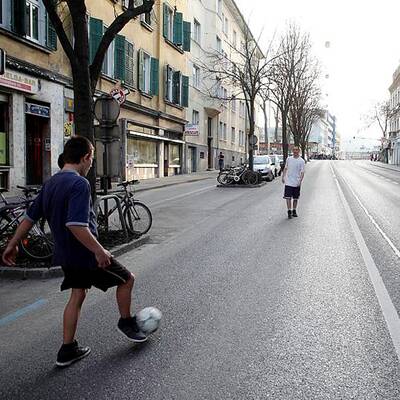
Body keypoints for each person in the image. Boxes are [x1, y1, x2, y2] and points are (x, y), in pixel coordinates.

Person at [2, 136, 147, 368]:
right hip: (86, 255)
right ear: (85, 157)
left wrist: (12, 243)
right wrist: (99, 251)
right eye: (91, 158)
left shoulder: (50, 183)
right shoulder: (80, 184)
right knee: (127, 279)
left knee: (77, 295)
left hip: (66, 255)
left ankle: (67, 349)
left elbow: (29, 218)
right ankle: (127, 323)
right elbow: (76, 225)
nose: (91, 164)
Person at [281, 146, 305, 219]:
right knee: (288, 197)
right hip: (288, 181)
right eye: (294, 150)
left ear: (299, 151)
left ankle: (294, 210)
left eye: (296, 150)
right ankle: (289, 211)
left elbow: (302, 172)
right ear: (292, 151)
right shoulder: (289, 159)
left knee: (295, 198)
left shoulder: (301, 161)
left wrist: (300, 181)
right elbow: (285, 168)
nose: (295, 151)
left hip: (296, 182)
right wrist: (283, 176)